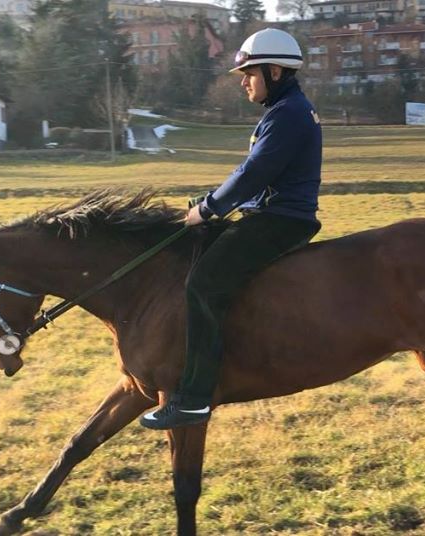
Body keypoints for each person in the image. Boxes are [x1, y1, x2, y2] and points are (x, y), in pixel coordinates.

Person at [140, 28, 322, 430]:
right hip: (271, 214)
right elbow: (249, 174)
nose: (243, 82)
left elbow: (253, 174)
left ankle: (195, 398)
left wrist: (208, 209)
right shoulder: (283, 111)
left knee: (202, 284)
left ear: (275, 71)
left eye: (249, 74)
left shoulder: (288, 114)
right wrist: (208, 204)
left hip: (280, 222)